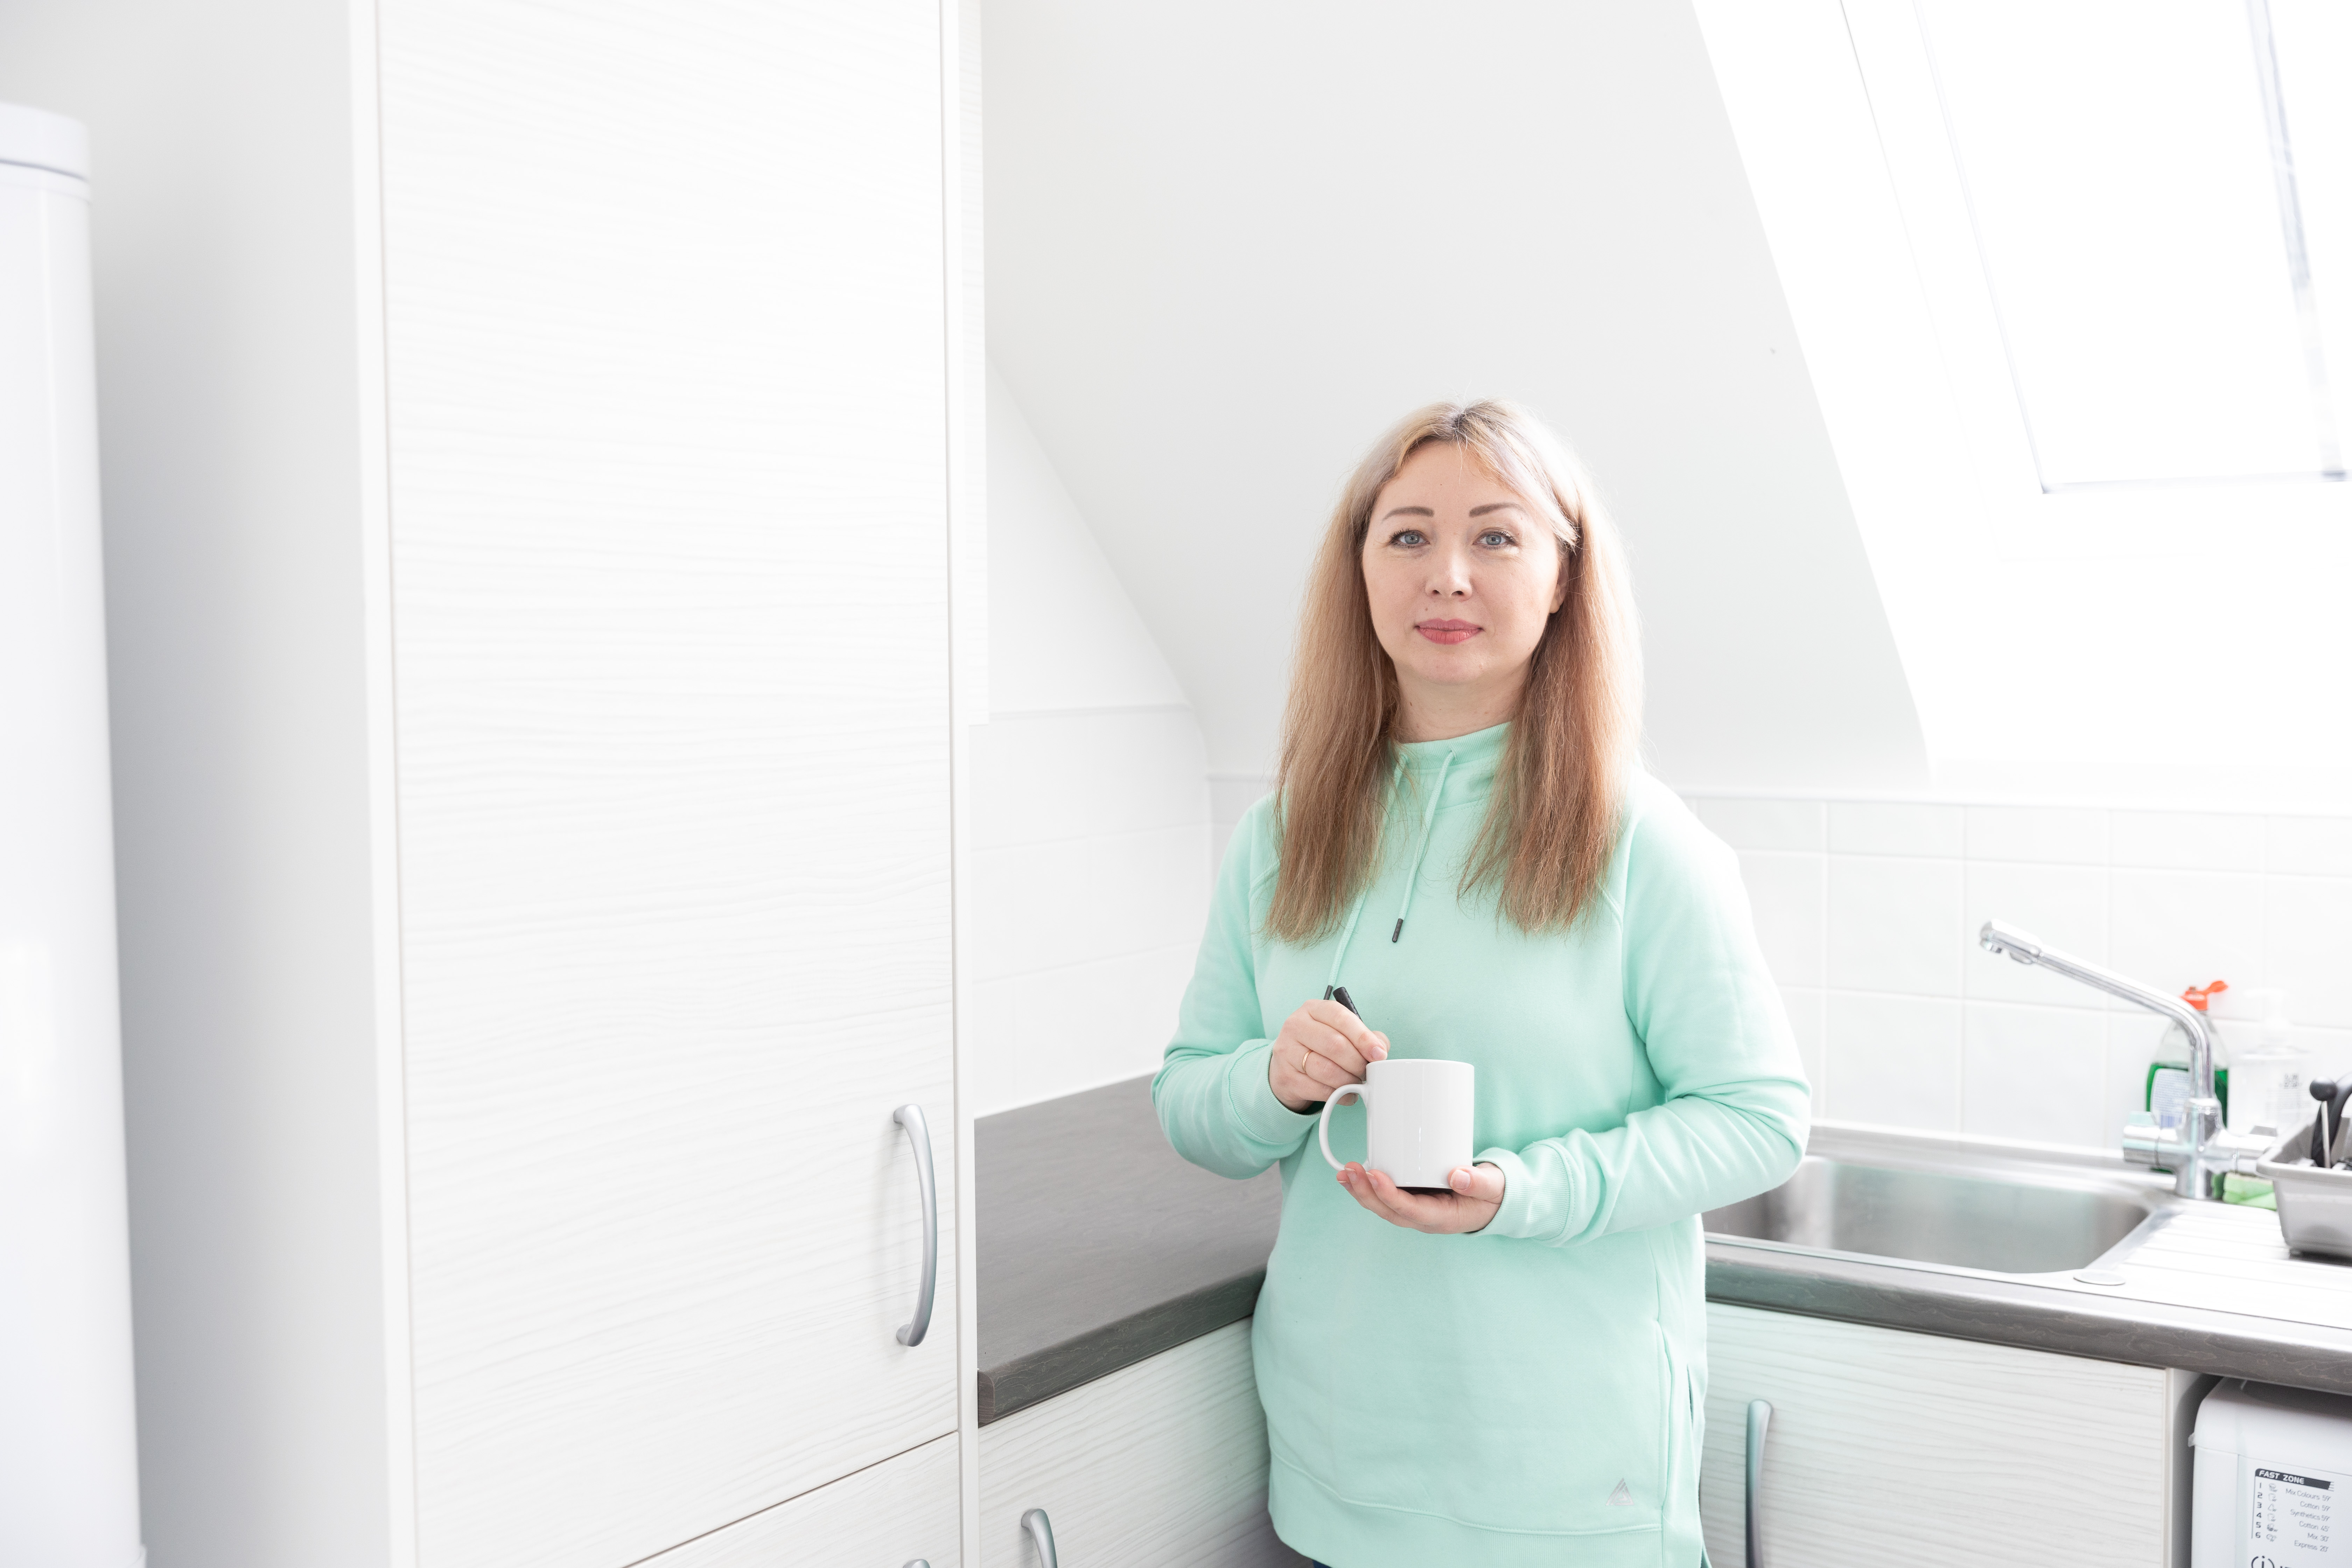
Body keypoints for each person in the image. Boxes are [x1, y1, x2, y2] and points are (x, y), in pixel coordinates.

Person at [1154, 400, 1809, 1567]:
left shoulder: (1641, 844)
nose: (1446, 574)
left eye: (1497, 538)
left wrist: (1523, 1189)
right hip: (1334, 1468)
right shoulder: (1281, 837)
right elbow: (1192, 1104)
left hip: (1569, 1495)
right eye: (1405, 536)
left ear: (1563, 577)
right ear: (1357, 571)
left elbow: (1760, 1123)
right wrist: (1275, 1083)